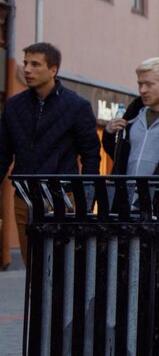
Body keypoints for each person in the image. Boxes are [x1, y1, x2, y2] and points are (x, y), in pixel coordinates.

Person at [0, 42, 101, 265]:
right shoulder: (13, 106)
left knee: (62, 266)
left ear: (53, 70)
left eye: (35, 64)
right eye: (26, 63)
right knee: (33, 266)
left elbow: (91, 155)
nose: (27, 69)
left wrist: (85, 199)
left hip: (64, 197)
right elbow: (2, 154)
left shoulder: (77, 106)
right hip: (24, 198)